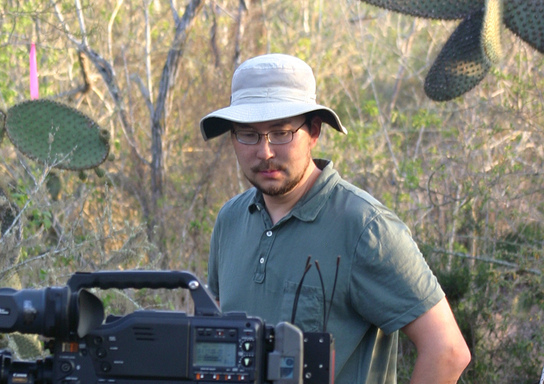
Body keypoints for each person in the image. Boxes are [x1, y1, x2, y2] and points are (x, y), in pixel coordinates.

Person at [201, 54, 470, 384]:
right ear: (232, 138)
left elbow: (447, 350)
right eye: (249, 135)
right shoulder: (230, 220)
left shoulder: (365, 228)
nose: (265, 152)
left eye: (281, 132)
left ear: (314, 131)